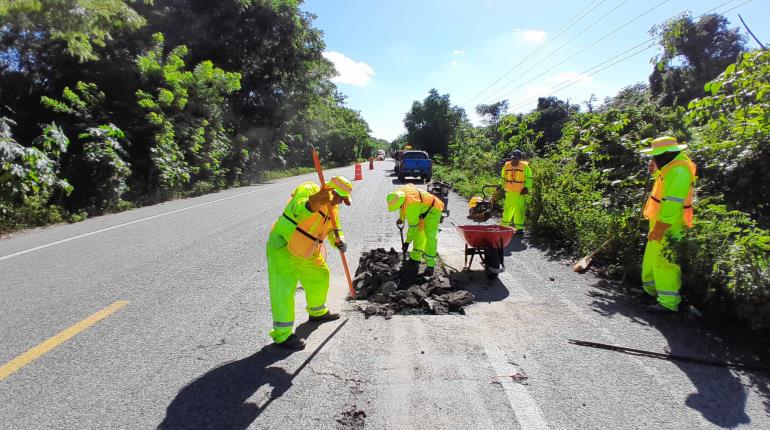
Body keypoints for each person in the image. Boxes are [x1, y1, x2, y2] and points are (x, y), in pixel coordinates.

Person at [266, 176, 353, 349]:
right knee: (283, 289)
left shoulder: (333, 209)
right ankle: (282, 335)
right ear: (332, 191)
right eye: (340, 198)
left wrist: (340, 240)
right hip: (285, 246)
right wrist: (313, 203)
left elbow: (335, 230)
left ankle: (317, 312)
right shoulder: (309, 190)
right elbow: (296, 210)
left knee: (320, 275)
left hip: (308, 251)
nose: (341, 202)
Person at [640, 136, 697, 313]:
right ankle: (651, 292)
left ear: (667, 154)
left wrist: (662, 225)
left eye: (656, 157)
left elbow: (672, 202)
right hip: (659, 221)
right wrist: (655, 172)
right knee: (651, 258)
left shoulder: (680, 171)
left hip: (670, 224)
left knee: (664, 262)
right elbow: (664, 186)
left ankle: (668, 303)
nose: (654, 160)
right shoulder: (671, 166)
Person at [386, 184, 444, 277]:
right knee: (419, 234)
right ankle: (415, 258)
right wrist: (401, 218)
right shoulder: (401, 193)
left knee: (430, 237)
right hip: (421, 210)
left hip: (433, 210)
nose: (399, 207)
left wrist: (407, 242)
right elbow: (402, 207)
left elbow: (413, 226)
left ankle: (430, 265)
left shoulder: (411, 205)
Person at [500, 150, 532, 234]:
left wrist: (526, 187)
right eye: (513, 158)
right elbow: (503, 178)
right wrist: (500, 186)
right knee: (507, 209)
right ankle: (504, 227)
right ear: (511, 158)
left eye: (516, 158)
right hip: (509, 192)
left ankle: (519, 228)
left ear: (519, 158)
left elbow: (529, 178)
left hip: (520, 193)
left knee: (519, 210)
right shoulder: (506, 166)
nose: (514, 160)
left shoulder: (525, 167)